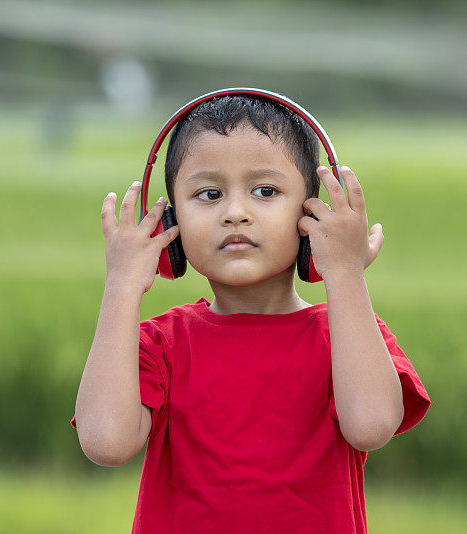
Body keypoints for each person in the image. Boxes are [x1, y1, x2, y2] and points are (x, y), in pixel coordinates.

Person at [70, 94, 431, 533]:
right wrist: (122, 285)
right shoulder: (161, 344)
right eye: (209, 194)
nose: (235, 213)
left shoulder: (347, 336)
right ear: (170, 225)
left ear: (312, 214)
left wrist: (344, 271)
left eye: (265, 191)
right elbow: (105, 442)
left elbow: (372, 427)